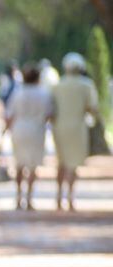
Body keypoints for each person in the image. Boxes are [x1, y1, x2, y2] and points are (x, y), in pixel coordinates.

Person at [51, 52, 100, 212]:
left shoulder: (58, 85)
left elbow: (52, 107)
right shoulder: (86, 85)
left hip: (60, 127)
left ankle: (59, 196)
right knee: (73, 164)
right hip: (78, 127)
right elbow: (93, 107)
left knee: (62, 162)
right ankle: (70, 197)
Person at [5, 64, 53, 210]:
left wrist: (6, 130)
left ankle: (19, 197)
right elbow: (49, 114)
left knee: (19, 165)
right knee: (33, 166)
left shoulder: (18, 92)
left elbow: (9, 115)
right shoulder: (43, 93)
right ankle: (29, 198)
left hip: (19, 130)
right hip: (36, 131)